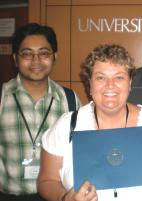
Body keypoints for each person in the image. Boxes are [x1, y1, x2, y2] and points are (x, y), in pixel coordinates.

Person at [37, 44, 142, 201]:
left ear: (130, 83)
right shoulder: (67, 126)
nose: (110, 85)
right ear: (90, 84)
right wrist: (65, 198)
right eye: (101, 77)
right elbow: (47, 181)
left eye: (119, 77)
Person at [0, 23, 81, 201]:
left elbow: (79, 151)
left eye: (44, 53)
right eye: (27, 54)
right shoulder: (2, 97)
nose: (36, 60)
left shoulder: (70, 99)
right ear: (15, 58)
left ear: (54, 56)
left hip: (57, 196)